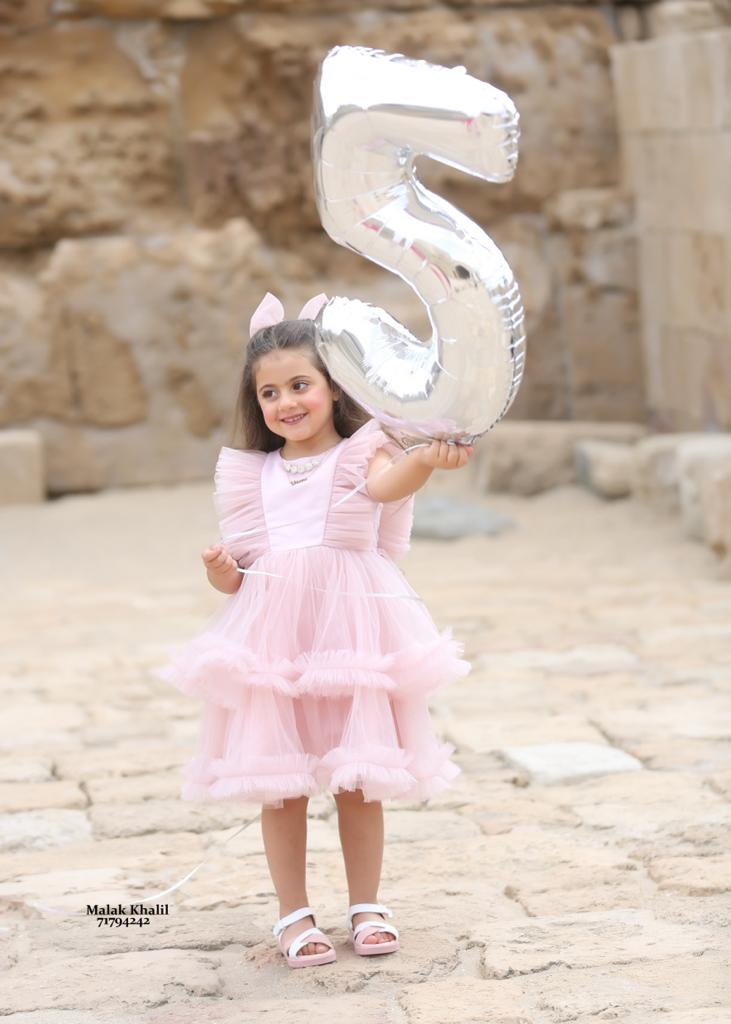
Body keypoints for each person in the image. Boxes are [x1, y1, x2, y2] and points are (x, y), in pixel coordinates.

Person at [157, 291, 474, 968]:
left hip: (352, 633)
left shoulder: (366, 454)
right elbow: (242, 575)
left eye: (300, 384)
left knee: (357, 772)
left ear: (335, 386)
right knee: (282, 777)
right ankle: (292, 913)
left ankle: (366, 905)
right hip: (277, 637)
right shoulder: (252, 476)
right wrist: (219, 572)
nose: (285, 403)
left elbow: (388, 489)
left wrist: (427, 458)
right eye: (269, 392)